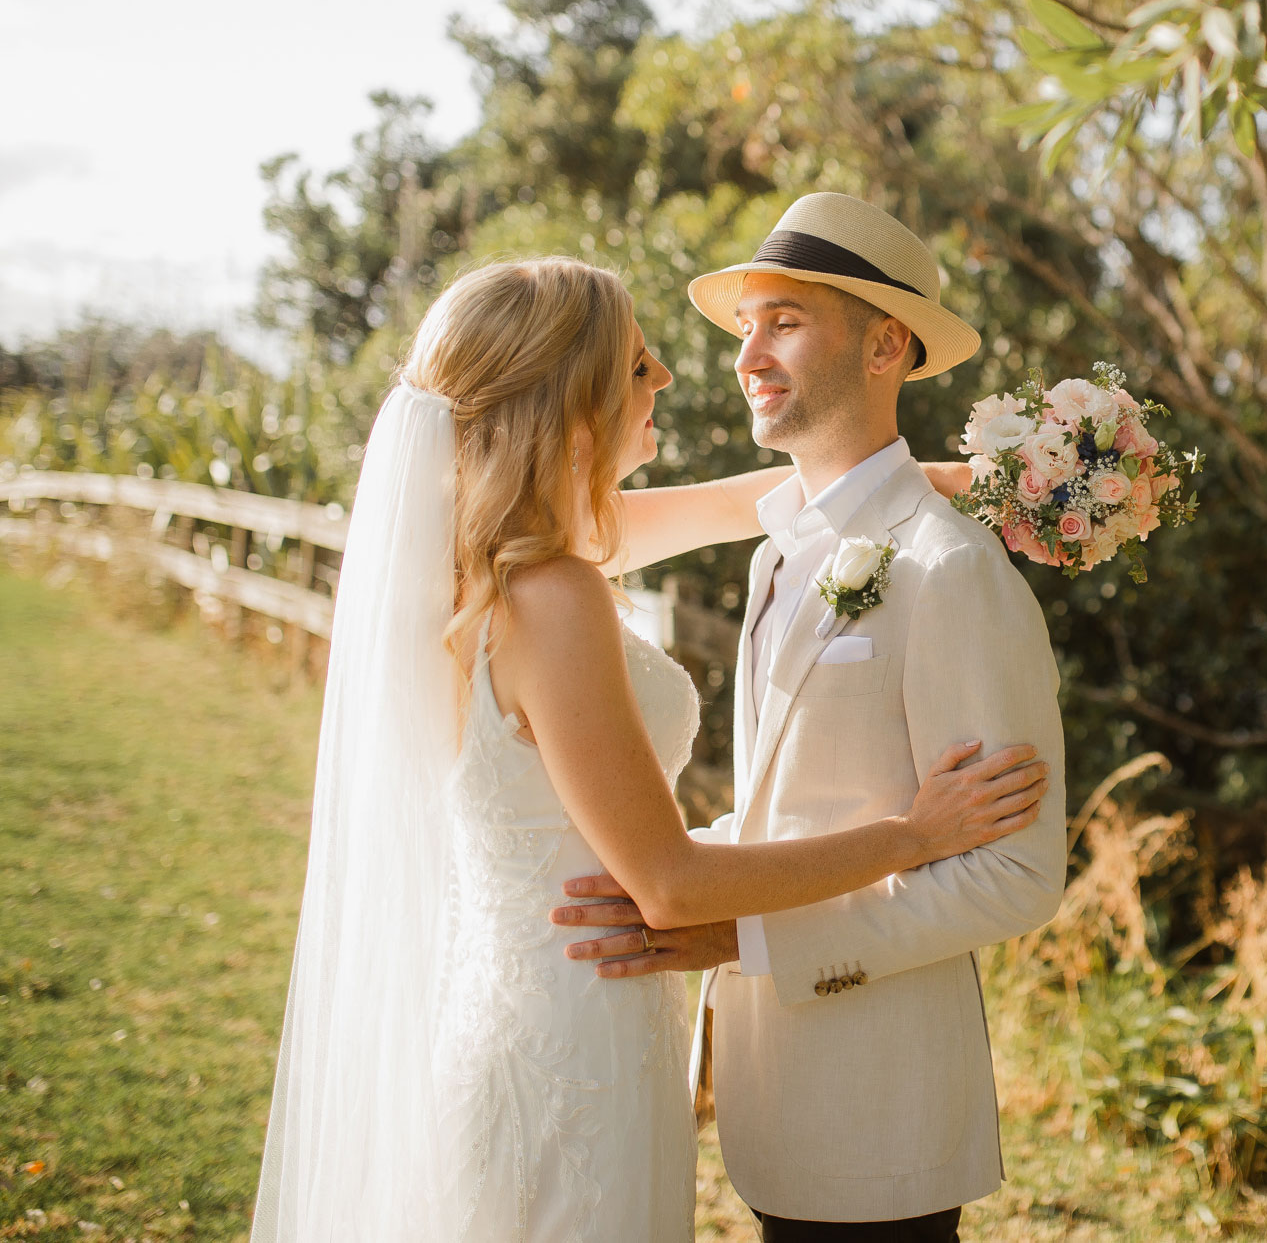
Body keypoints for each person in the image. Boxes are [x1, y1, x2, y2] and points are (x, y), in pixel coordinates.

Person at [250, 255, 1049, 1243]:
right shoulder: (554, 590)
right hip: (574, 1037)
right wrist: (910, 833)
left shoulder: (475, 560)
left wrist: (931, 483)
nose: (668, 374)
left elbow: (742, 506)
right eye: (635, 365)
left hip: (546, 1008)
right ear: (570, 397)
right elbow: (666, 884)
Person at [554, 192, 1068, 1241]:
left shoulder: (949, 566)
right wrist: (671, 868)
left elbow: (1016, 874)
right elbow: (790, 801)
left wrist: (745, 935)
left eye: (782, 320)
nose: (747, 354)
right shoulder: (773, 548)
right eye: (746, 326)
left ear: (885, 344)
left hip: (881, 1121)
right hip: (767, 1100)